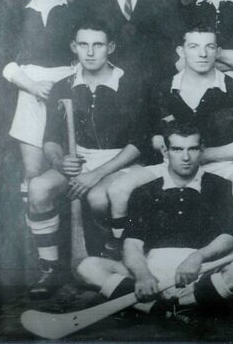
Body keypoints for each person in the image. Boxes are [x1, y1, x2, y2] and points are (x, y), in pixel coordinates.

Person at [77, 121, 233, 319]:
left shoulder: (220, 185)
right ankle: (175, 307)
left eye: (192, 149)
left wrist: (196, 258)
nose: (185, 157)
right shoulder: (145, 190)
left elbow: (229, 237)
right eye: (177, 149)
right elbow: (132, 244)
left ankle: (167, 305)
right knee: (88, 267)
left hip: (201, 269)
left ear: (201, 150)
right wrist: (143, 275)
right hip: (153, 269)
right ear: (165, 151)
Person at [104, 25, 233, 259]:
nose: (202, 54)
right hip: (170, 164)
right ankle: (123, 253)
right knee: (118, 189)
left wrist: (206, 155)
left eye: (210, 46)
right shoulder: (162, 89)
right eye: (194, 47)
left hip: (221, 164)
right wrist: (177, 152)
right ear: (181, 51)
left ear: (218, 51)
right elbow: (147, 138)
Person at [27, 18, 147, 298]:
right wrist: (59, 162)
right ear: (74, 47)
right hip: (79, 160)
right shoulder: (63, 86)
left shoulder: (131, 84)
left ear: (111, 47)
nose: (90, 52)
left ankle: (112, 259)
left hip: (122, 161)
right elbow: (51, 139)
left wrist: (96, 175)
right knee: (38, 188)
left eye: (98, 45)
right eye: (83, 45)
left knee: (99, 197)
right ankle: (51, 267)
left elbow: (139, 144)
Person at [2, 0, 76, 223]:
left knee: (69, 169)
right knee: (33, 173)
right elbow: (6, 64)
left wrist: (63, 88)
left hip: (68, 95)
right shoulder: (18, 16)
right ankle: (39, 250)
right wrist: (33, 86)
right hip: (30, 95)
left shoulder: (77, 11)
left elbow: (86, 55)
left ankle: (68, 246)